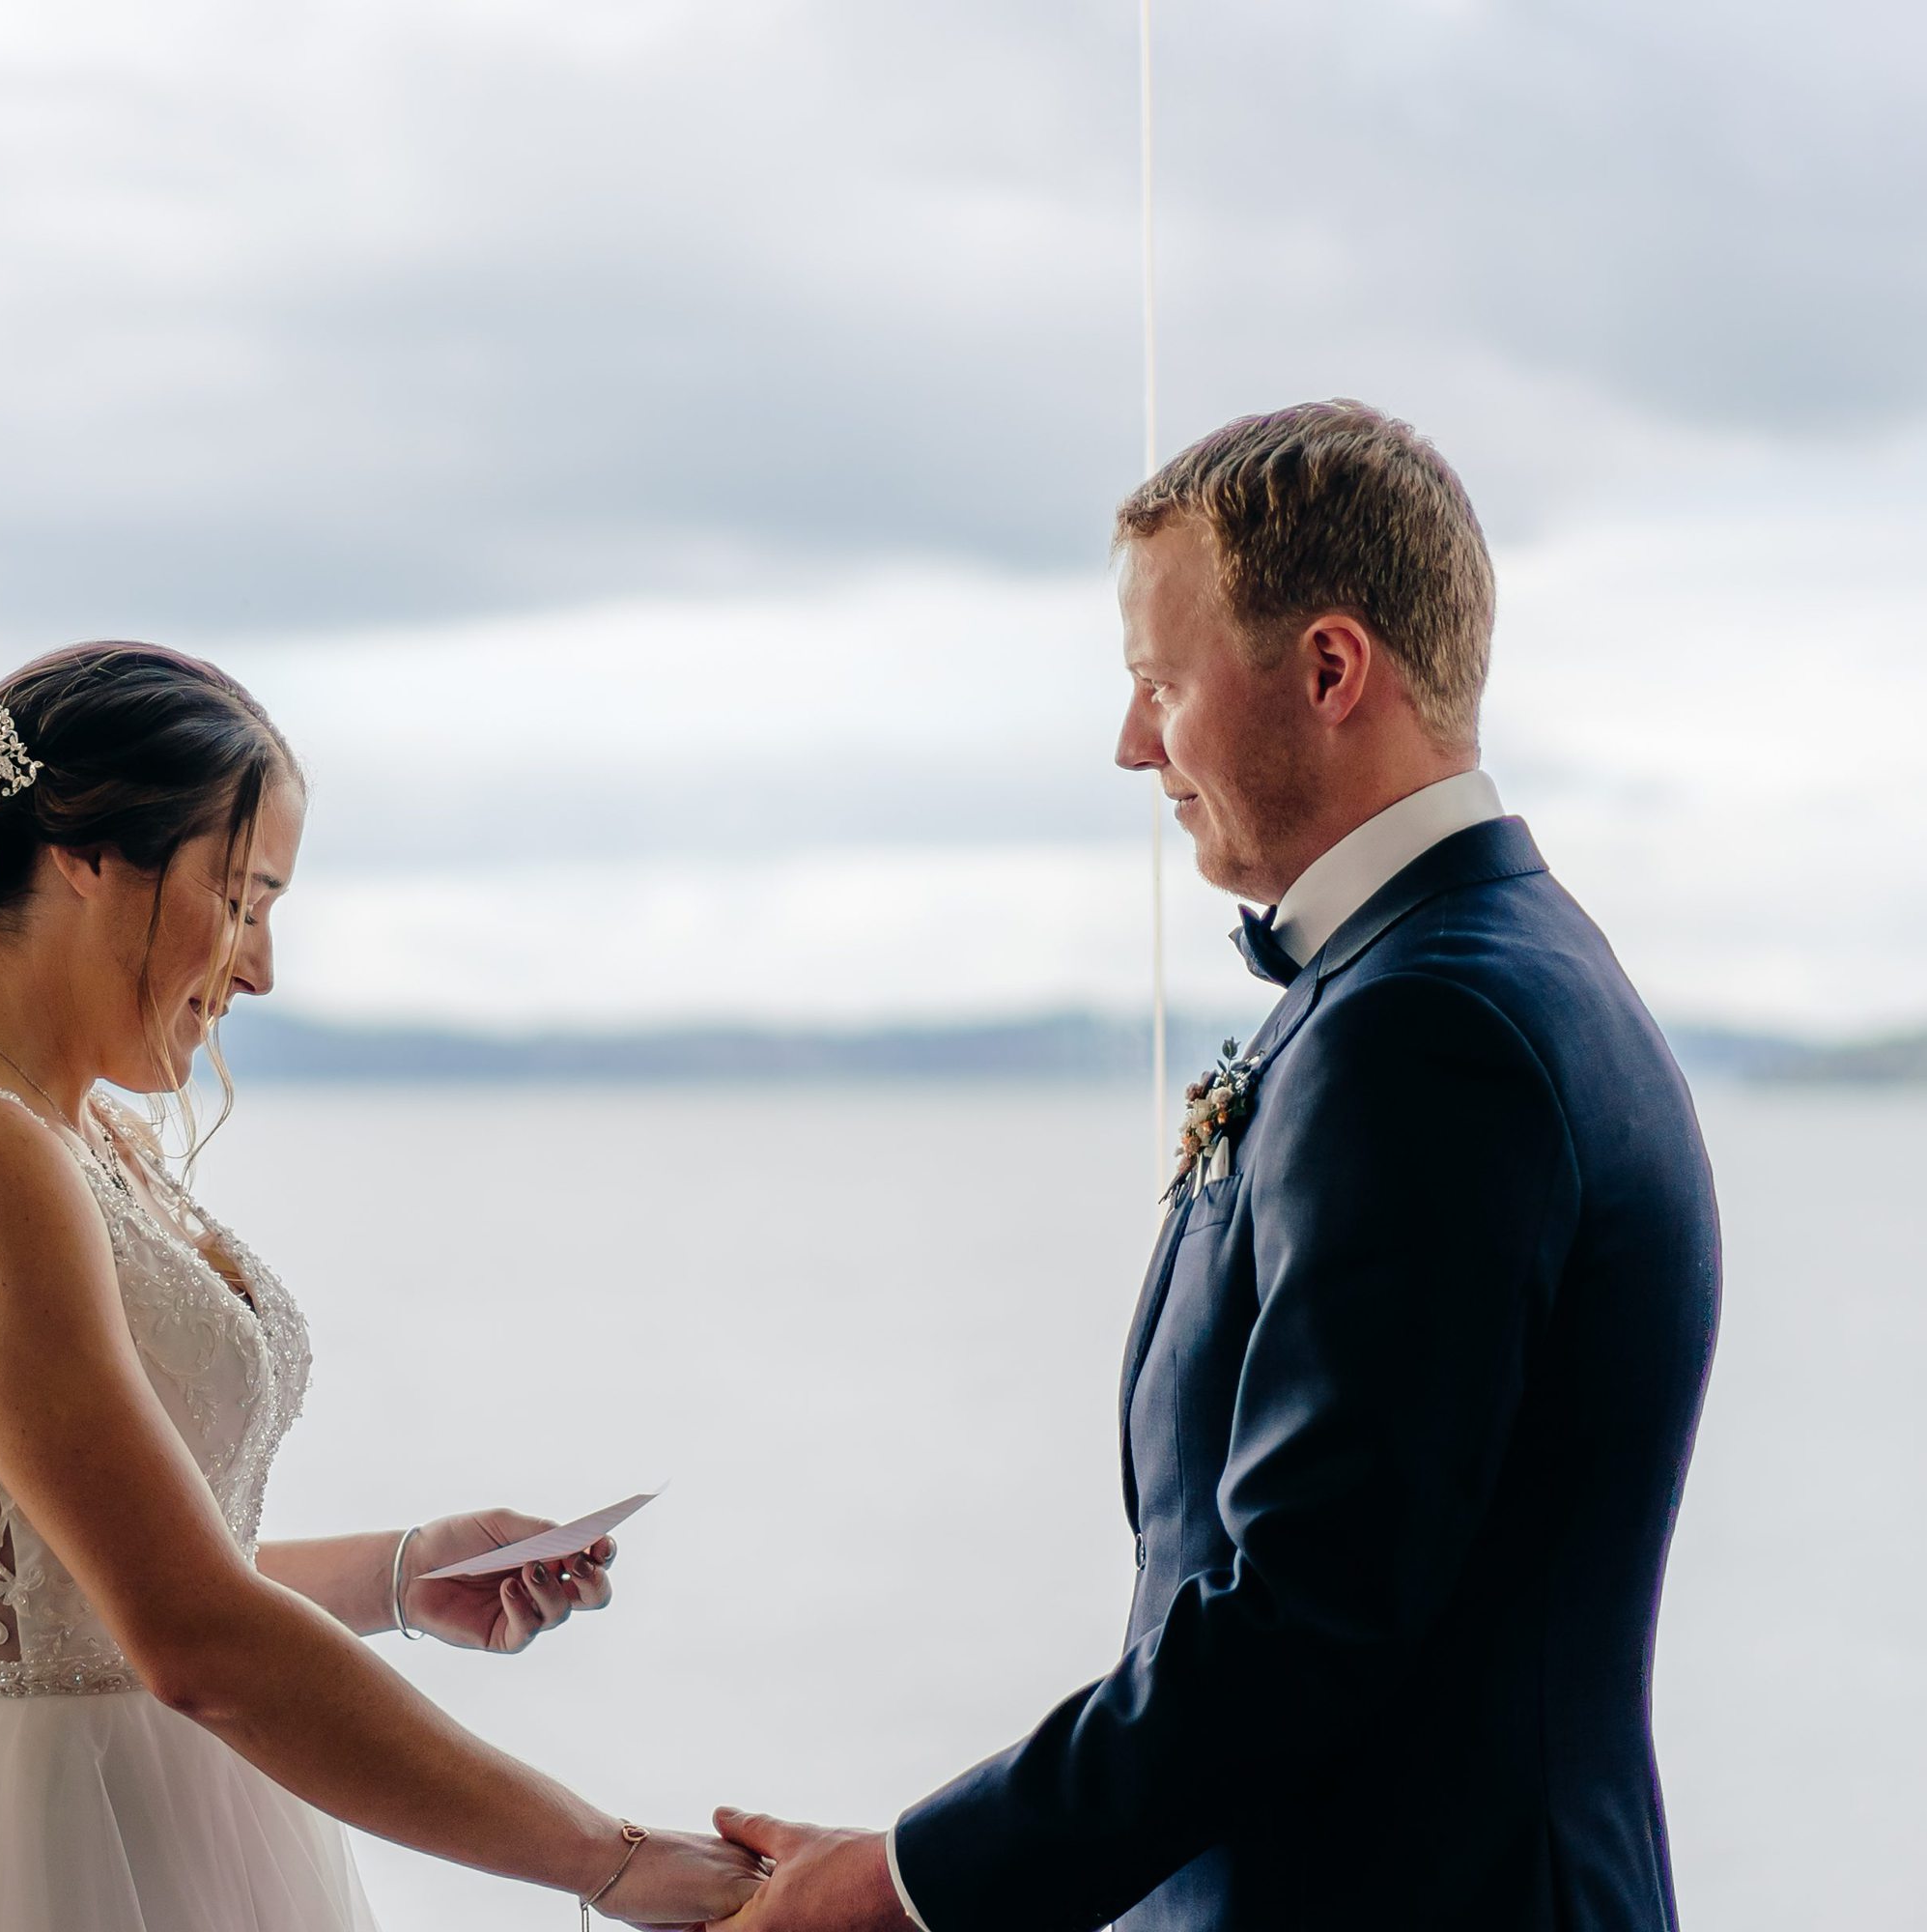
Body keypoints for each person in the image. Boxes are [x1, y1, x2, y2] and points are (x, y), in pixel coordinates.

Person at [0, 642, 764, 1932]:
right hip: (49, 1857)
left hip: (167, 1819)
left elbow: (85, 1596)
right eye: (241, 899)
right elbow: (188, 1638)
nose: (262, 967)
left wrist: (398, 1576)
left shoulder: (71, 1139)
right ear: (88, 857)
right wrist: (613, 1860)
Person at [715, 402, 1722, 1930]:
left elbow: (1310, 1616)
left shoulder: (1424, 1031)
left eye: (1157, 684)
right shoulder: (1497, 966)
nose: (1132, 745)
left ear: (1330, 670)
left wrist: (905, 1885)